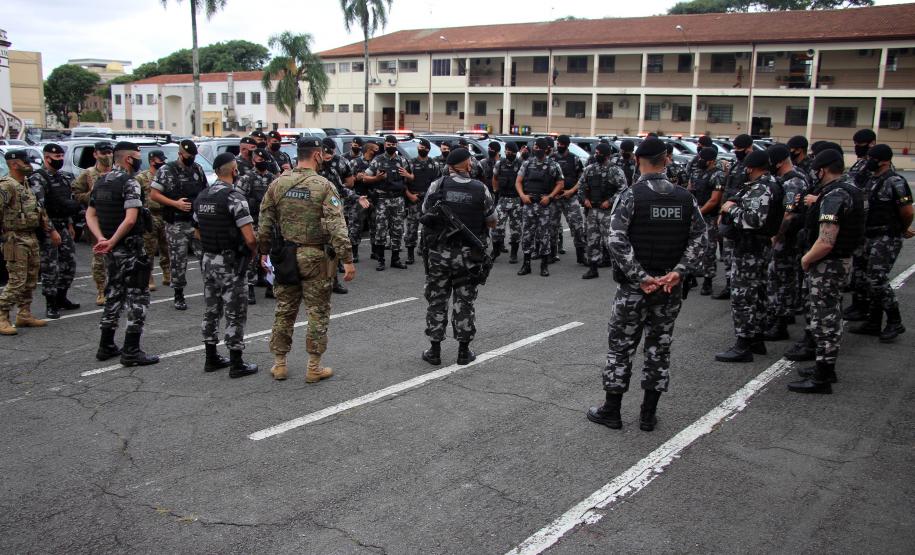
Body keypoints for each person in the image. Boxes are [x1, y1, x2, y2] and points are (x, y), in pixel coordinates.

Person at [587, 138, 706, 432]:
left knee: (620, 348)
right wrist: (678, 272)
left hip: (634, 289)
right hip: (668, 288)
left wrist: (640, 276)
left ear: (639, 161)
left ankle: (611, 411)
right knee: (659, 348)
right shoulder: (684, 197)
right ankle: (647, 415)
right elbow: (700, 238)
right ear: (666, 159)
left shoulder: (631, 196)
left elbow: (616, 239)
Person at [257, 137, 355, 382]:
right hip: (315, 257)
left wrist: (264, 251)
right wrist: (348, 259)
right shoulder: (323, 185)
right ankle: (314, 366)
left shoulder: (278, 183)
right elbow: (337, 226)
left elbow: (265, 220)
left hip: (286, 256)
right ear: (317, 155)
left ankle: (279, 364)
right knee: (318, 312)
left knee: (284, 310)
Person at [787, 147, 866, 393]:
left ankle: (823, 375)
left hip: (828, 264)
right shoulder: (852, 190)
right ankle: (824, 366)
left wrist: (806, 260)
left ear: (822, 170)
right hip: (839, 262)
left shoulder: (834, 196)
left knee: (825, 319)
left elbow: (825, 241)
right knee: (828, 314)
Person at [419, 147, 496, 366]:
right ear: (468, 164)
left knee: (437, 300)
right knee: (464, 303)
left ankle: (434, 351)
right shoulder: (480, 189)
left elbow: (426, 211)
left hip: (439, 255)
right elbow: (492, 219)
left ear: (450, 166)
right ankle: (464, 351)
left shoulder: (438, 185)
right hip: (468, 257)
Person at [85, 142, 159, 366]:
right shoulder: (129, 183)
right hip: (129, 247)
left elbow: (90, 215)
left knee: (113, 294)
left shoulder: (102, 181)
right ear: (128, 159)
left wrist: (102, 239)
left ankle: (106, 344)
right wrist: (112, 241)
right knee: (138, 297)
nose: (139, 160)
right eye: (137, 156)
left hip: (111, 248)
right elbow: (130, 219)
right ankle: (131, 350)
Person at [193, 152, 259, 378]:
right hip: (230, 263)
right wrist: (253, 252)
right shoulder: (234, 197)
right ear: (234, 171)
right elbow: (250, 238)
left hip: (209, 259)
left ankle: (210, 357)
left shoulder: (202, 196)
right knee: (235, 311)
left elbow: (197, 229)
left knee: (211, 309)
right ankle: (236, 362)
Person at [715, 150, 778, 363]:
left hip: (751, 248)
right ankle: (756, 339)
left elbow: (753, 220)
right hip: (758, 247)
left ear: (751, 168)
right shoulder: (771, 184)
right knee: (758, 294)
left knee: (743, 296)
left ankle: (743, 344)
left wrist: (730, 210)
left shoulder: (761, 188)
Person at [849, 144, 913, 342]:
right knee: (864, 278)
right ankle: (874, 321)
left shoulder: (895, 181)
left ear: (884, 160)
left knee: (877, 279)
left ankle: (895, 321)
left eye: (872, 158)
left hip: (886, 236)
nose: (868, 161)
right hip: (869, 235)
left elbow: (908, 211)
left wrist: (901, 229)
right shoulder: (871, 180)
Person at [0, 150, 57, 335]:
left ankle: (24, 313)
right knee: (17, 280)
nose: (29, 165)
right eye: (25, 162)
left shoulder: (25, 183)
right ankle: (2, 316)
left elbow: (39, 209)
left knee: (31, 278)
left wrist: (50, 230)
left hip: (30, 236)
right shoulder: (6, 186)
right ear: (14, 164)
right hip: (15, 238)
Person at [150, 139, 207, 310]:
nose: (192, 158)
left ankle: (210, 290)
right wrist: (175, 203)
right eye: (189, 155)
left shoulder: (197, 169)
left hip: (195, 222)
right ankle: (179, 294)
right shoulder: (166, 170)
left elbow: (204, 190)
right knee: (178, 260)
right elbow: (154, 194)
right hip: (176, 223)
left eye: (194, 155)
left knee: (205, 256)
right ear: (181, 154)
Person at [762, 144, 809, 341]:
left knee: (780, 278)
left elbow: (788, 215)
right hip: (789, 238)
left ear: (780, 161)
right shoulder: (793, 176)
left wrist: (776, 236)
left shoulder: (793, 181)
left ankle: (780, 323)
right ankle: (781, 316)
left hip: (788, 239)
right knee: (783, 278)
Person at [28, 143, 80, 318]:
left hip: (64, 225)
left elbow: (66, 204)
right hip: (48, 228)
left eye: (61, 157)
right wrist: (51, 231)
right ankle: (51, 303)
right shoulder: (38, 178)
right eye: (56, 157)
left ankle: (61, 297)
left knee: (69, 264)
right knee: (50, 267)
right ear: (46, 157)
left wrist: (70, 224)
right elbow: (40, 208)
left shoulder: (63, 178)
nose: (59, 160)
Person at [713, 133, 755, 301]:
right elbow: (728, 190)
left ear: (748, 148)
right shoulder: (737, 165)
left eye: (739, 149)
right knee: (729, 254)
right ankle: (730, 285)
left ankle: (741, 288)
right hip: (729, 215)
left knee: (741, 255)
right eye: (735, 149)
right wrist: (721, 212)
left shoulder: (753, 167)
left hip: (743, 216)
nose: (736, 152)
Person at [842, 128, 879, 320]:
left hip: (870, 226)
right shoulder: (859, 164)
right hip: (858, 224)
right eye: (855, 144)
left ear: (872, 143)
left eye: (861, 145)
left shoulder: (875, 167)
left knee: (867, 270)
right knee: (858, 267)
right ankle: (858, 303)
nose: (857, 148)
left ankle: (866, 307)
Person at [72, 141, 114, 306]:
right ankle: (101, 290)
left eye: (110, 153)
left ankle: (117, 288)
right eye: (103, 153)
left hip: (116, 220)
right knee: (99, 258)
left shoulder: (118, 172)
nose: (107, 156)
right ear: (96, 154)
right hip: (97, 221)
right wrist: (93, 194)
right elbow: (76, 194)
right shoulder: (88, 174)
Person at [515, 137, 564, 277]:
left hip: (545, 205)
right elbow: (518, 181)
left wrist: (550, 197)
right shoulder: (527, 163)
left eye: (538, 147)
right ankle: (526, 264)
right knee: (527, 235)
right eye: (534, 147)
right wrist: (522, 195)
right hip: (529, 204)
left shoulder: (553, 165)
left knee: (544, 235)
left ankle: (544, 265)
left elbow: (560, 183)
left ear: (545, 149)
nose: (535, 149)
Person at [234, 147, 276, 303]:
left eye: (264, 160)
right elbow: (238, 199)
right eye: (259, 160)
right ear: (253, 161)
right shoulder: (246, 179)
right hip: (252, 222)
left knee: (271, 255)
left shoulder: (273, 178)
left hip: (270, 222)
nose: (262, 163)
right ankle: (250, 288)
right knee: (251, 256)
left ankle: (271, 285)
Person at [580, 143, 627, 279]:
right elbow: (582, 186)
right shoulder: (589, 169)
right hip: (592, 210)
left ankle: (619, 269)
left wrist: (610, 201)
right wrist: (584, 200)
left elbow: (623, 190)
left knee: (611, 241)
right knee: (592, 240)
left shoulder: (615, 170)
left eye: (600, 153)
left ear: (607, 156)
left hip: (608, 212)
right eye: (596, 153)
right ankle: (593, 268)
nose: (597, 155)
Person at [362, 135, 410, 271]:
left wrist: (407, 175)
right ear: (384, 145)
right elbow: (365, 178)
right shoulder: (378, 160)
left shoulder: (402, 160)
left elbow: (410, 179)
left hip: (398, 200)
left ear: (396, 145)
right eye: (388, 144)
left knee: (398, 230)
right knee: (381, 229)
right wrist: (377, 178)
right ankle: (381, 260)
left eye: (393, 144)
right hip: (383, 200)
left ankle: (395, 259)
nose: (390, 147)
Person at [687, 147, 725, 296]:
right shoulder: (696, 172)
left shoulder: (718, 175)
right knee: (690, 246)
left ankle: (708, 280)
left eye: (703, 159)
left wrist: (699, 213)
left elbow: (715, 199)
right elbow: (689, 191)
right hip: (694, 214)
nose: (699, 160)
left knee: (709, 249)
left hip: (709, 217)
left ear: (711, 161)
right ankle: (690, 275)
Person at [135, 150, 171, 292]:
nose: (162, 163)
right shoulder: (141, 177)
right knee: (149, 249)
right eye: (159, 160)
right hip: (149, 216)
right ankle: (148, 277)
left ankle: (167, 273)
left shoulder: (165, 176)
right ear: (152, 161)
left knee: (166, 247)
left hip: (164, 214)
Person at [404, 138, 442, 265]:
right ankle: (410, 254)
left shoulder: (434, 165)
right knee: (411, 227)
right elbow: (402, 183)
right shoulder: (410, 163)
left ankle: (423, 249)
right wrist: (409, 195)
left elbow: (438, 183)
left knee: (428, 228)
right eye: (419, 147)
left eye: (423, 147)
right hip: (414, 199)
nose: (421, 149)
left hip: (428, 201)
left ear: (428, 149)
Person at [550, 135, 587, 264]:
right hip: (555, 198)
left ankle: (581, 256)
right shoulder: (551, 159)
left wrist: (571, 191)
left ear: (567, 144)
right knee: (552, 227)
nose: (559, 146)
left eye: (561, 144)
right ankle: (552, 254)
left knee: (577, 226)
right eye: (558, 143)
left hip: (570, 197)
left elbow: (581, 179)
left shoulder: (574, 159)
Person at [491, 141, 523, 263]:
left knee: (516, 229)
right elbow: (494, 178)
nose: (508, 153)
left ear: (515, 152)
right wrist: (495, 190)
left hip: (516, 200)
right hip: (503, 199)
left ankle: (514, 253)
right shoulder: (500, 164)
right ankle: (495, 250)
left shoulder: (521, 164)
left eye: (511, 151)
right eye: (507, 151)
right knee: (497, 227)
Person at [350, 141, 379, 262]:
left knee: (375, 226)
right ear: (369, 150)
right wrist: (356, 178)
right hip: (360, 198)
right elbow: (348, 181)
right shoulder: (355, 162)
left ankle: (374, 252)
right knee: (356, 226)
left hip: (374, 198)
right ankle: (354, 253)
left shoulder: (377, 162)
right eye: (375, 149)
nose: (377, 151)